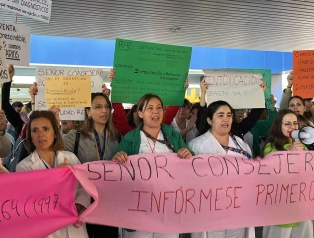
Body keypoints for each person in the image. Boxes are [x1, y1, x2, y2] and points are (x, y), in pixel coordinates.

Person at [112, 93, 193, 238]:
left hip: (168, 206)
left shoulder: (173, 135)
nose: (156, 111)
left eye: (159, 108)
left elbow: (191, 161)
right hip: (139, 209)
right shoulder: (130, 139)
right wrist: (118, 158)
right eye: (150, 108)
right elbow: (114, 171)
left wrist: (187, 154)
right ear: (140, 113)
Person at [16, 111, 89, 237]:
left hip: (75, 227)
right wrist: (56, 176)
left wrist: (77, 208)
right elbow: (32, 203)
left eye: (46, 129)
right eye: (35, 130)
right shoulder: (24, 167)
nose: (41, 134)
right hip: (48, 231)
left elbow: (84, 188)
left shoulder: (70, 158)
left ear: (55, 133)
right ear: (30, 136)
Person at [188, 100, 255, 238]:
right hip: (209, 210)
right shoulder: (196, 146)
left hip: (237, 209)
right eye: (220, 115)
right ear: (209, 120)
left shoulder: (242, 145)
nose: (226, 119)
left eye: (229, 115)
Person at [61, 92, 120, 238]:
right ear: (88, 112)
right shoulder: (75, 136)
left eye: (107, 107)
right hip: (84, 201)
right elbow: (51, 146)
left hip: (109, 201)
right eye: (98, 107)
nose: (104, 111)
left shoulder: (117, 137)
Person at [261, 109, 312, 238]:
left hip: (301, 205)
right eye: (287, 124)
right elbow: (275, 174)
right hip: (280, 207)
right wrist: (291, 154)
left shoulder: (302, 145)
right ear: (279, 126)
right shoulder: (270, 147)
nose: (293, 127)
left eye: (295, 123)